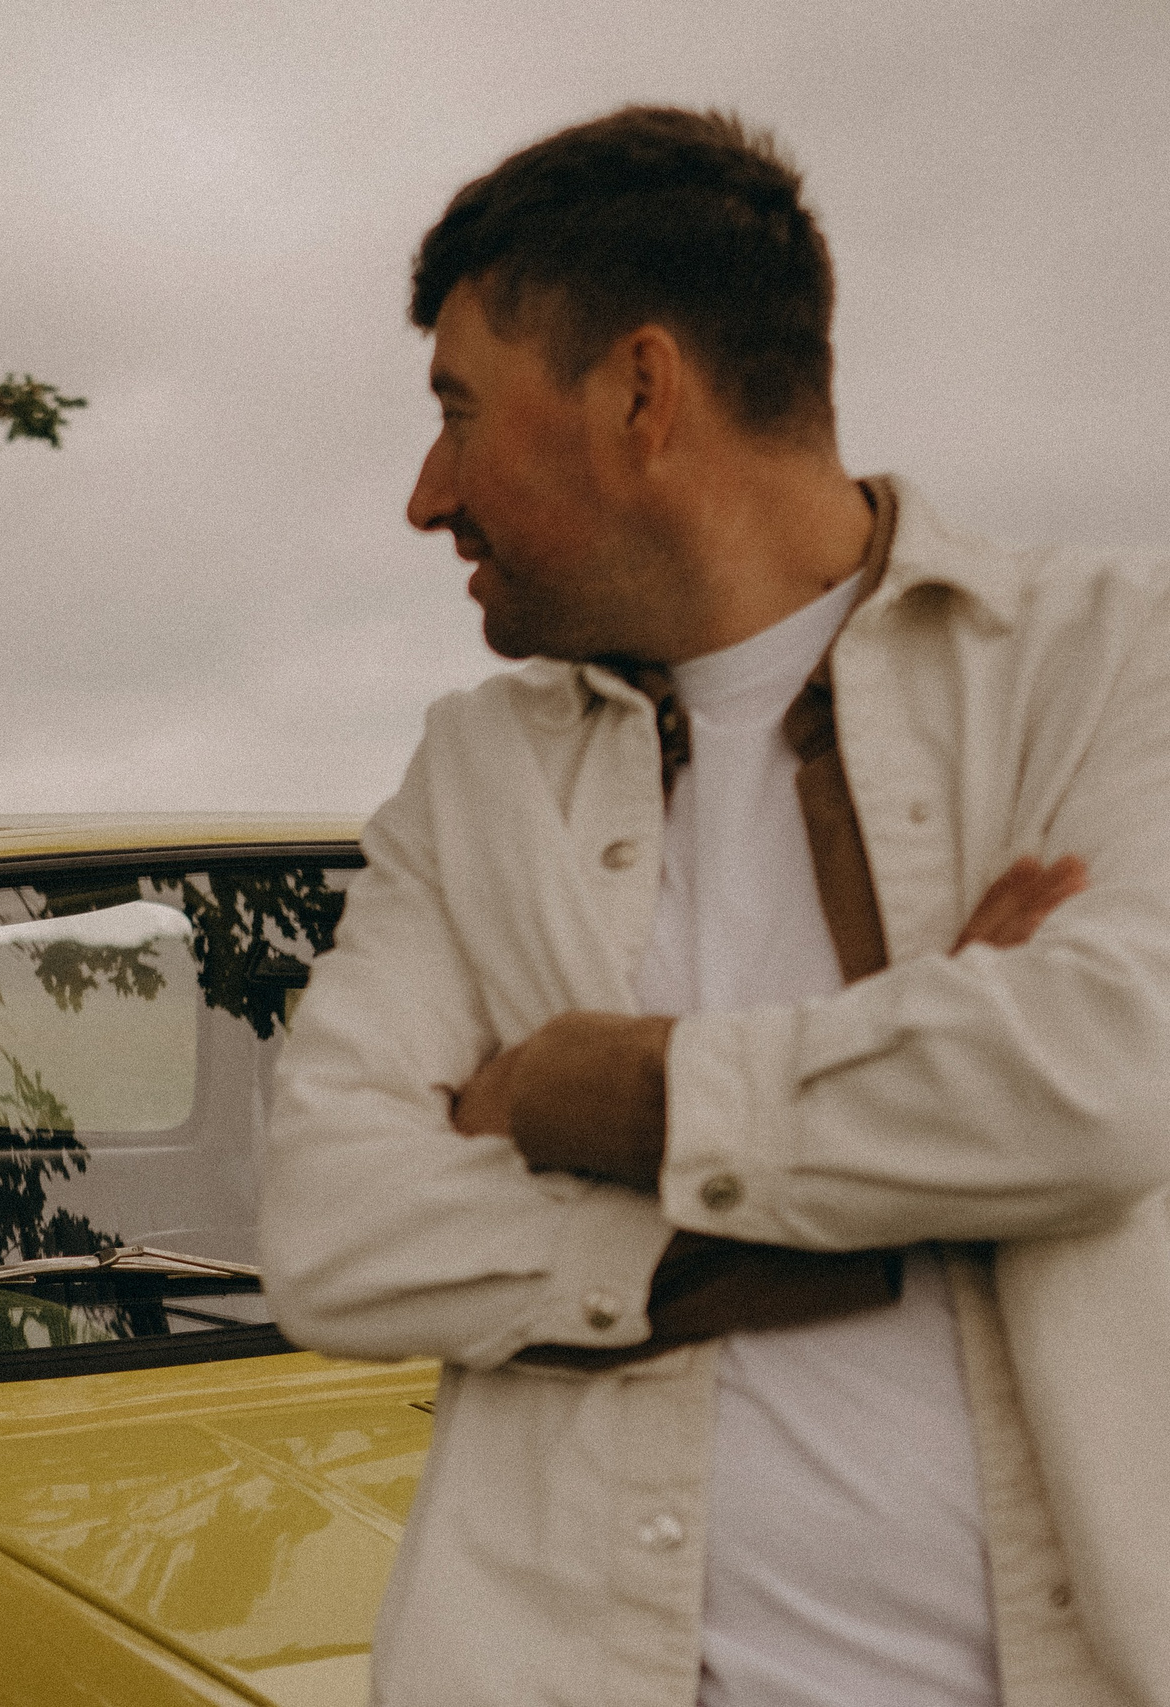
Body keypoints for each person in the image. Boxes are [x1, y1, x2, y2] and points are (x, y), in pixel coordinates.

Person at [258, 106, 1170, 1707]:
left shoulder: (1113, 658)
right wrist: (920, 1127)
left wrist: (585, 1093)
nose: (425, 493)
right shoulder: (476, 774)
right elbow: (329, 1228)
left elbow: (1106, 1071)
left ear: (640, 392)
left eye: (458, 410)